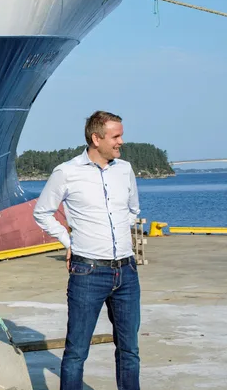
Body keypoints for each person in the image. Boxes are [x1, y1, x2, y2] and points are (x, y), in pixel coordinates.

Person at [33, 110, 141, 390]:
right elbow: (42, 213)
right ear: (96, 138)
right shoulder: (66, 172)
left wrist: (114, 235)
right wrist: (70, 243)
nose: (121, 142)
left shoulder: (125, 169)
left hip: (127, 272)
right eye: (116, 136)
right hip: (88, 273)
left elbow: (132, 211)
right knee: (77, 352)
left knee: (129, 351)